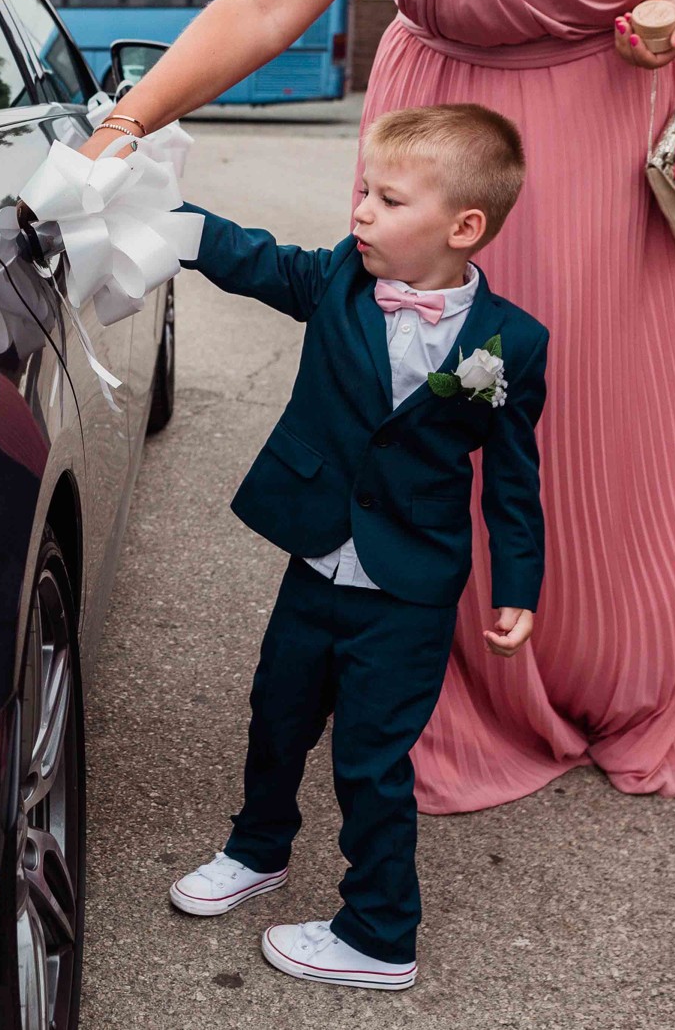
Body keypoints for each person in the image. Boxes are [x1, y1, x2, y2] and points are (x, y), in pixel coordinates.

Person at [80, 0, 675, 811]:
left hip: (621, 160)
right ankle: (440, 670)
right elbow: (270, 1)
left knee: (609, 422)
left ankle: (616, 668)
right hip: (446, 158)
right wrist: (124, 124)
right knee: (428, 411)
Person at [165, 105, 547, 989]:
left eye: (388, 198)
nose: (361, 211)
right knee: (276, 714)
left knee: (370, 760)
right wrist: (161, 219)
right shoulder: (339, 277)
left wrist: (518, 584)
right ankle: (256, 848)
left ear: (463, 227)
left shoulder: (512, 344)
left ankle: (379, 932)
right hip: (316, 559)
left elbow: (514, 477)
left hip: (409, 589)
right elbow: (253, 259)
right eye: (363, 191)